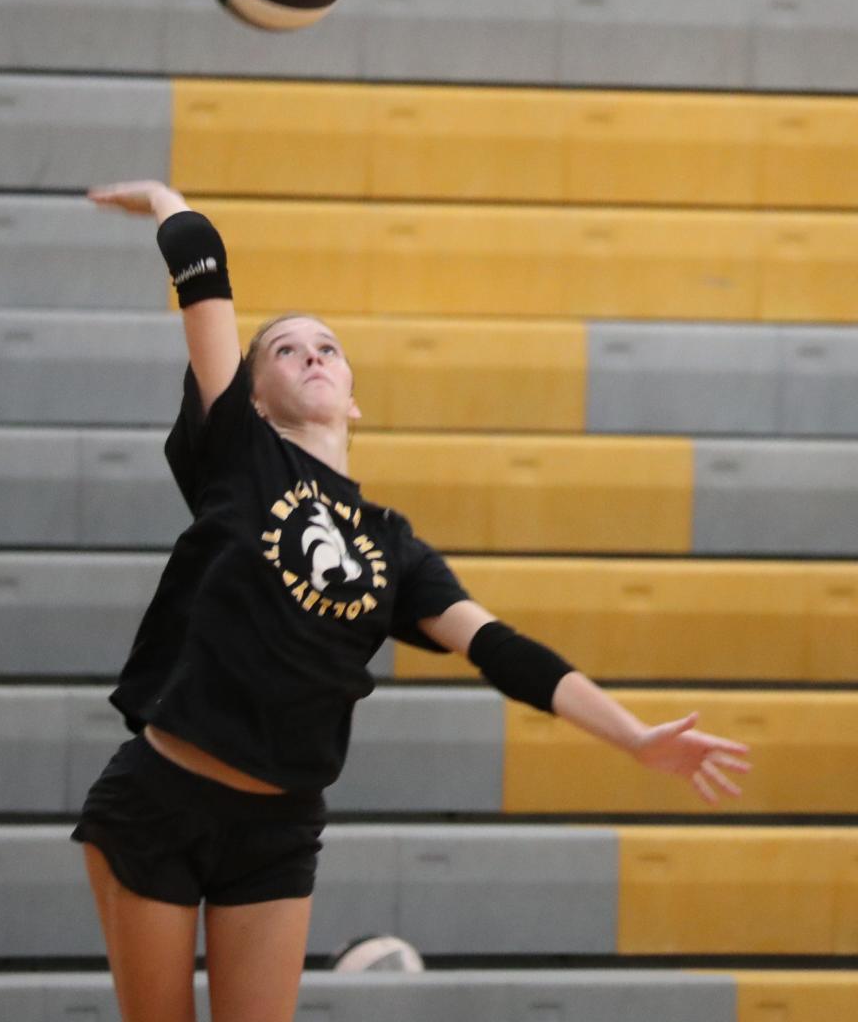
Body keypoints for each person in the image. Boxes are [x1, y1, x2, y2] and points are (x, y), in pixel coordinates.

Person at [73, 180, 752, 1022]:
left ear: (354, 394)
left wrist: (635, 737)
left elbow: (500, 650)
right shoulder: (239, 454)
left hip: (278, 830)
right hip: (160, 800)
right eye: (284, 349)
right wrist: (169, 202)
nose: (311, 355)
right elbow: (203, 276)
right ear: (249, 394)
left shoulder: (392, 546)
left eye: (328, 346)